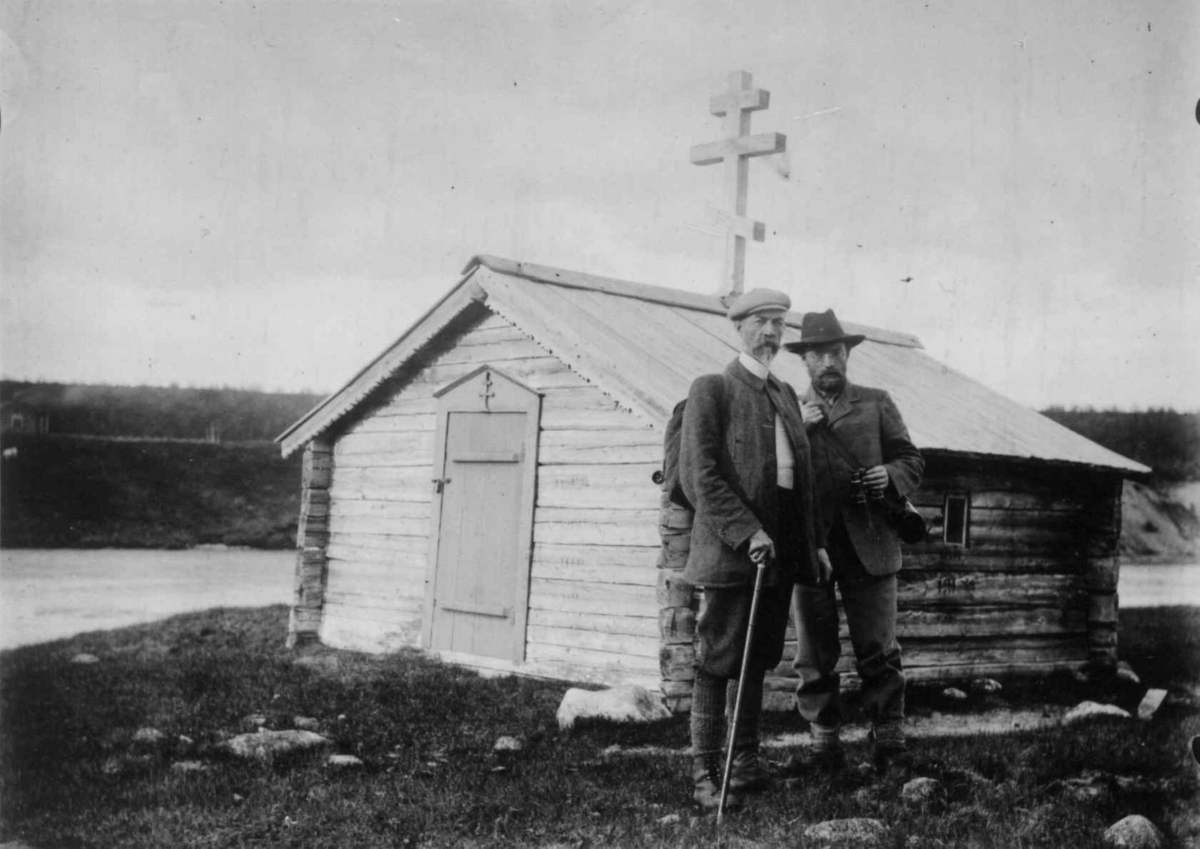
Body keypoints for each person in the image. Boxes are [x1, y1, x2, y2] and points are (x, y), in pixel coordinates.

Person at [679, 288, 830, 811]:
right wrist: (747, 531)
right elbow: (699, 476)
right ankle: (705, 769)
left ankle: (743, 761)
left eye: (779, 324)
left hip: (781, 549)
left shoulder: (786, 394)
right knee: (718, 657)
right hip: (730, 549)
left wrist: (814, 545)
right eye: (761, 322)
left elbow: (801, 483)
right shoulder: (713, 389)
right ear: (738, 327)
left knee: (756, 658)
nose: (771, 332)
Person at [784, 309, 924, 772]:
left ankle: (891, 745)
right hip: (810, 544)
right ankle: (825, 747)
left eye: (835, 352)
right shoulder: (786, 410)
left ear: (847, 355)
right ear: (805, 361)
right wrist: (796, 434)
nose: (827, 361)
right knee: (814, 654)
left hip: (871, 541)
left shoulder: (876, 402)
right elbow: (774, 474)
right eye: (817, 353)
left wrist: (891, 474)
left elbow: (912, 459)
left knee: (879, 649)